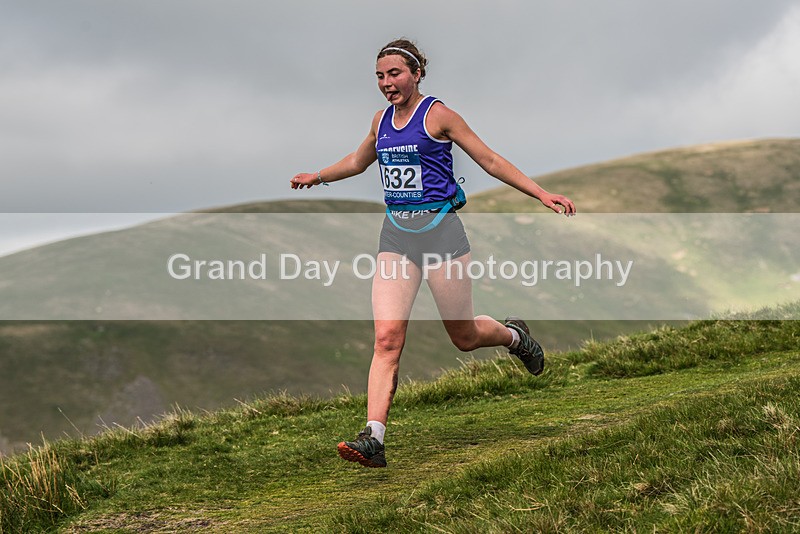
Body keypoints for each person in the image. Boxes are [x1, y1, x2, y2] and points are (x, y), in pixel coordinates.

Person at [291, 38, 575, 468]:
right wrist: (318, 176)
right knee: (387, 339)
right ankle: (374, 438)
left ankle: (515, 336)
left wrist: (540, 193)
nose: (387, 84)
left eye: (395, 74)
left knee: (464, 337)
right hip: (397, 238)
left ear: (416, 73)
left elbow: (491, 161)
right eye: (380, 77)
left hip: (442, 236)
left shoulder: (438, 115)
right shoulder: (380, 120)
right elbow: (356, 161)